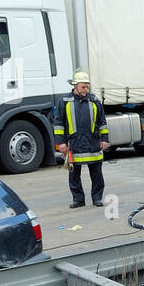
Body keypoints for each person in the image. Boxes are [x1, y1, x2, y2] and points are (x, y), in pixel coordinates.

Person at [54, 69, 109, 208]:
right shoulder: (64, 102)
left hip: (93, 143)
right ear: (75, 86)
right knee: (74, 174)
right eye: (83, 86)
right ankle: (78, 200)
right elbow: (59, 123)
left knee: (96, 173)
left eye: (87, 86)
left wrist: (104, 139)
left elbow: (102, 121)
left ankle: (97, 198)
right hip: (74, 144)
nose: (86, 89)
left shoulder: (94, 100)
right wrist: (60, 143)